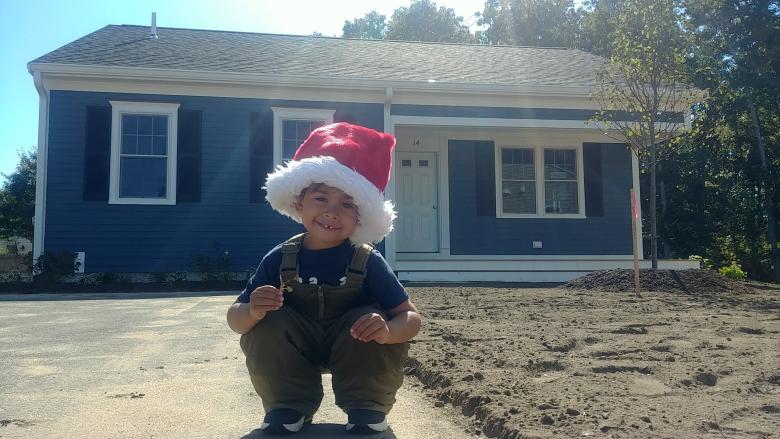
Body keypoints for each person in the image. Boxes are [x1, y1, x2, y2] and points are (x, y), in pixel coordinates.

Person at [226, 122, 422, 435]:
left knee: (371, 317)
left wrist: (387, 332)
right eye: (321, 199)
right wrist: (251, 311)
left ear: (360, 216)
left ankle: (366, 408)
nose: (332, 212)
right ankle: (287, 407)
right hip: (295, 351)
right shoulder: (280, 257)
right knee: (268, 323)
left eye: (347, 204)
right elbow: (235, 320)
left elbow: (410, 318)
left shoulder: (367, 259)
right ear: (298, 202)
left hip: (355, 350)